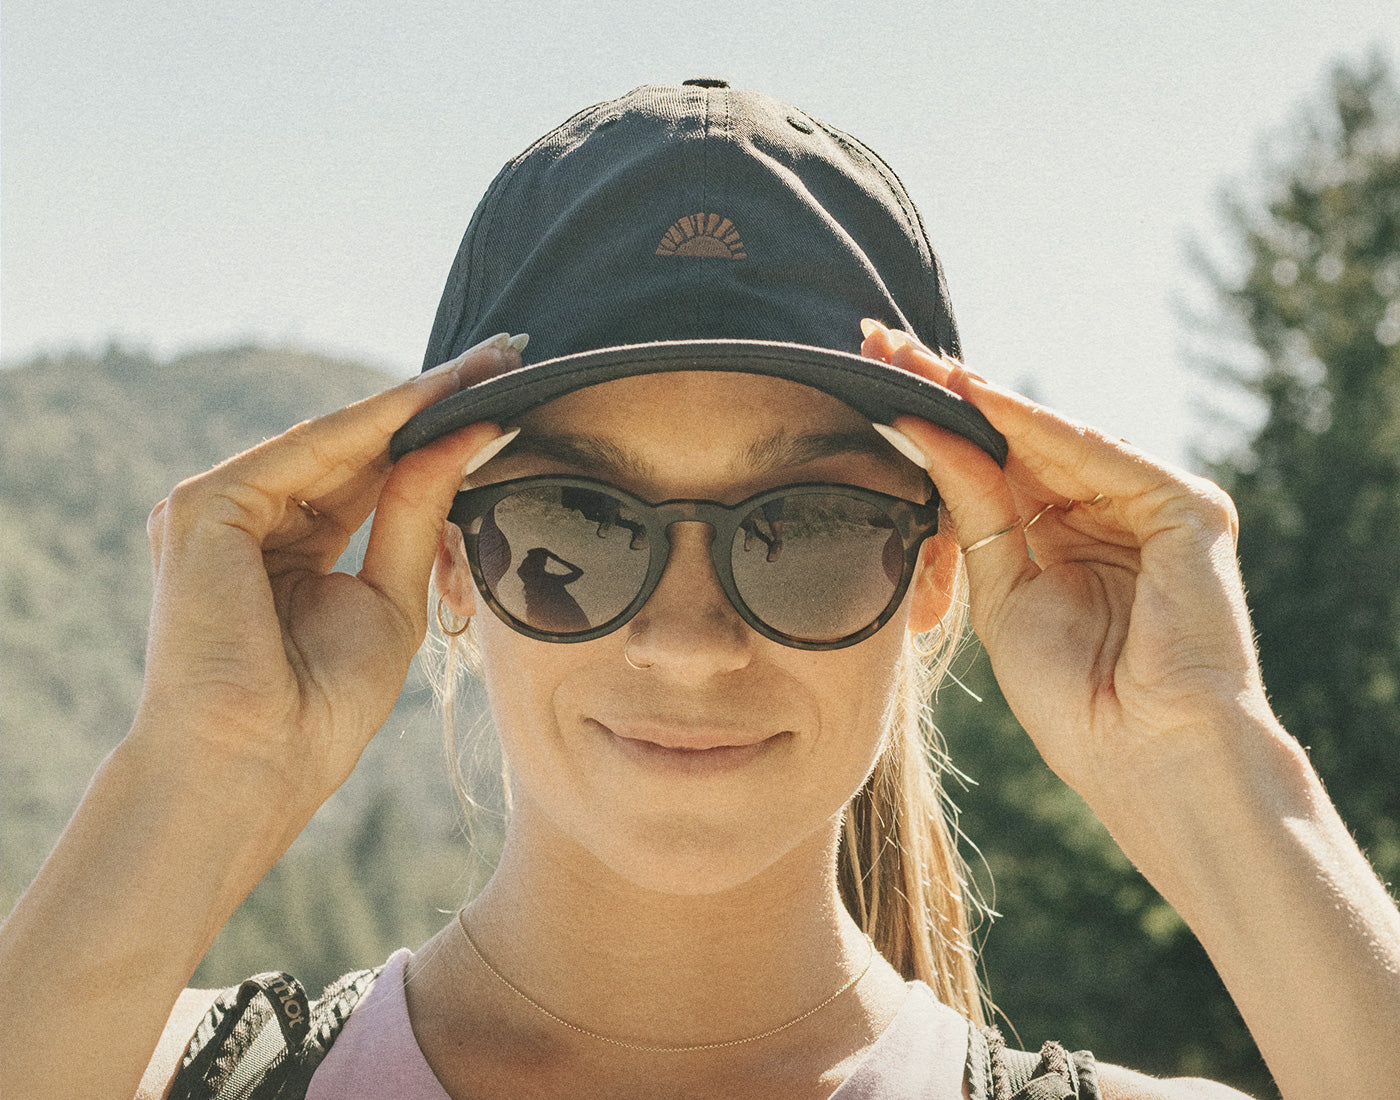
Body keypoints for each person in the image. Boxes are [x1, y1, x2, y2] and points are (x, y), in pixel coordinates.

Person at [1, 80, 1397, 1100]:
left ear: (931, 576)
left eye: (807, 527)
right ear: (448, 567)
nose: (687, 639)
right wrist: (198, 773)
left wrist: (1205, 757)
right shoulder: (154, 1075)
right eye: (574, 524)